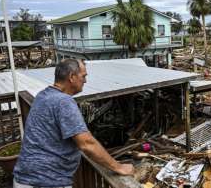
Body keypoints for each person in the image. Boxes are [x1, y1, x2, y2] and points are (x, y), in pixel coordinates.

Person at [13, 59, 134, 188]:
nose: (85, 81)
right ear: (71, 77)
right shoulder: (63, 101)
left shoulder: (42, 96)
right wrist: (119, 167)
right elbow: (87, 143)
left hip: (24, 178)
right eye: (83, 76)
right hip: (46, 181)